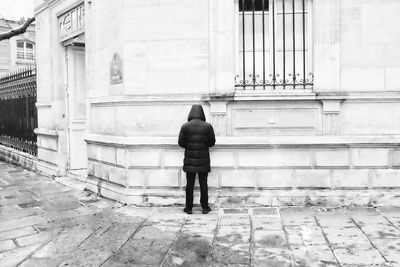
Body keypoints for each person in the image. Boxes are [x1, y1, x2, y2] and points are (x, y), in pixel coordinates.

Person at [178, 105, 216, 214]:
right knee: (203, 184)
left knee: (190, 184)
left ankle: (188, 208)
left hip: (190, 161)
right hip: (203, 160)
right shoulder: (207, 127)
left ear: (191, 113)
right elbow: (212, 142)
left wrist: (189, 146)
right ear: (202, 114)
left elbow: (181, 143)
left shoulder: (185, 126)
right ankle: (205, 207)